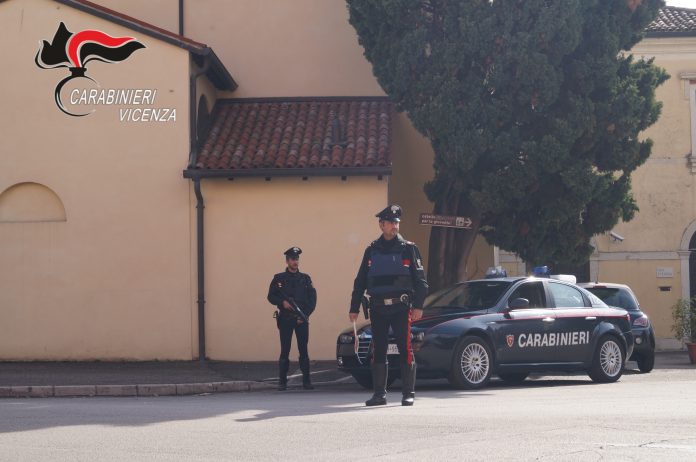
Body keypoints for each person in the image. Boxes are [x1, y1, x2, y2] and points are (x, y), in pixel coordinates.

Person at [349, 205, 428, 406]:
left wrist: (418, 306)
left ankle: (408, 393)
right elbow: (360, 281)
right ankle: (379, 395)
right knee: (379, 349)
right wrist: (354, 307)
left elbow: (421, 282)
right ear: (381, 225)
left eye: (397, 222)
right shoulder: (371, 250)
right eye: (391, 222)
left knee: (405, 348)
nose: (395, 226)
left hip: (401, 308)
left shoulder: (409, 248)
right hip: (377, 308)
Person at [267, 247, 317, 391]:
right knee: (285, 350)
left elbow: (312, 299)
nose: (295, 262)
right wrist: (282, 302)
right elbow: (270, 296)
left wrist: (305, 315)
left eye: (297, 259)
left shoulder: (306, 279)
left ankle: (306, 381)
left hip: (301, 319)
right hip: (286, 319)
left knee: (304, 350)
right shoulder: (279, 279)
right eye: (293, 259)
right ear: (287, 261)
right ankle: (282, 382)